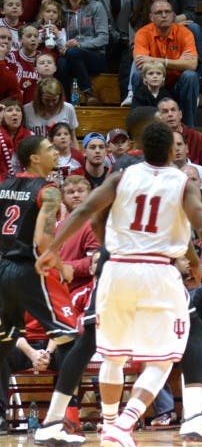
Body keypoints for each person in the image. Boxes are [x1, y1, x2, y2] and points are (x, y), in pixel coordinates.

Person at [35, 122, 202, 447]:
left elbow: (88, 209)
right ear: (173, 151)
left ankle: (111, 425)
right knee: (164, 358)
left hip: (116, 270)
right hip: (157, 272)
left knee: (111, 355)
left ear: (141, 149)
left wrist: (51, 248)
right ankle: (126, 423)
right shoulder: (181, 182)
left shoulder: (121, 177)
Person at [0, 136, 81, 444]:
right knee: (70, 341)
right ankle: (65, 421)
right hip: (31, 271)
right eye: (48, 149)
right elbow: (43, 243)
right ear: (34, 158)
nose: (55, 151)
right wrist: (63, 268)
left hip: (3, 268)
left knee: (4, 342)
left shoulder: (4, 185)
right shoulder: (48, 191)